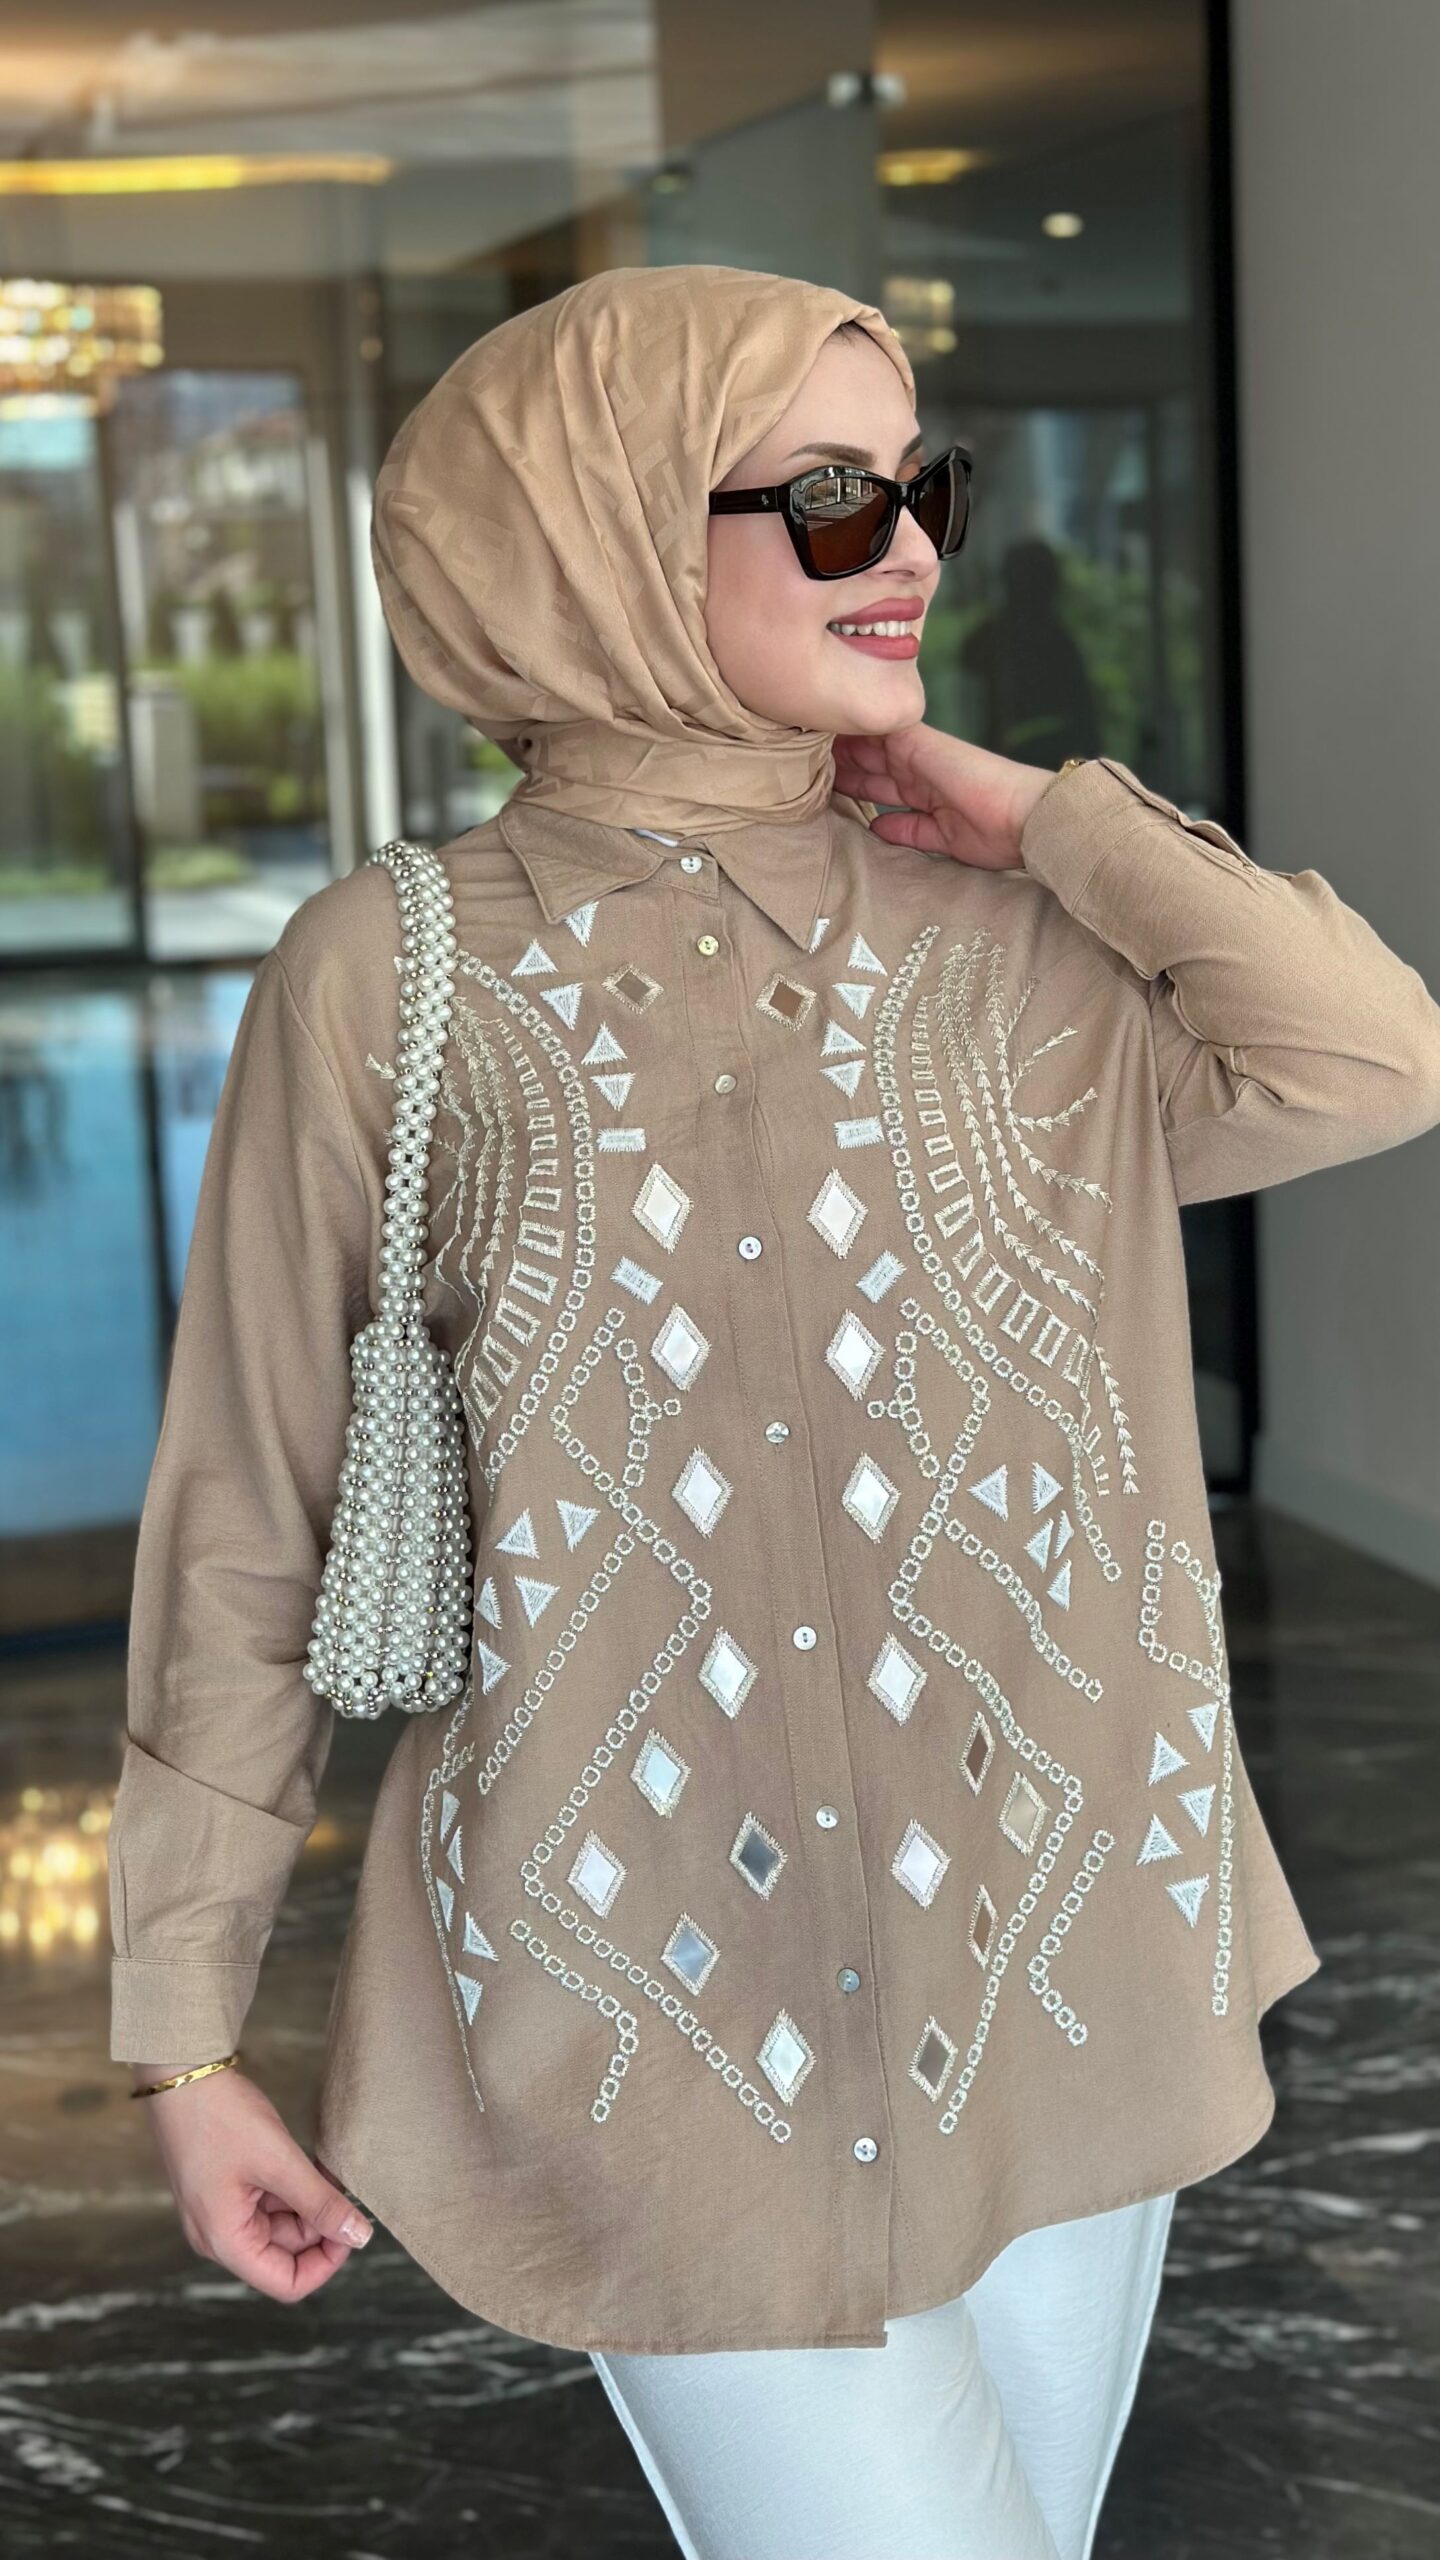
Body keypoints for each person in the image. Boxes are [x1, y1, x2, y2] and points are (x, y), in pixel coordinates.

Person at [109, 265, 1440, 2560]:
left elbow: (1370, 1054)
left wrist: (1047, 815)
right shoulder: (397, 971)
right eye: (830, 498)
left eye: (922, 489)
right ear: (606, 530)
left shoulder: (1023, 934)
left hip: (1064, 1955)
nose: (906, 546)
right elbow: (251, 1510)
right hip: (651, 2011)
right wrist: (183, 2026)